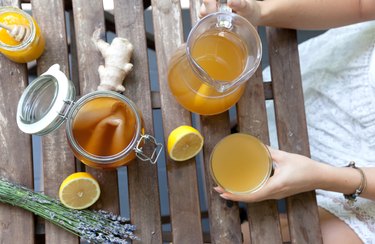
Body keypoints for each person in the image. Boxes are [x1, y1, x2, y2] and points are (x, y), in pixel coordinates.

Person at [200, 0, 375, 243]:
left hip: (365, 181)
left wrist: (324, 177)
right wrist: (259, 12)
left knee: (257, 235)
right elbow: (361, 5)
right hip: (339, 80)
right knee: (245, 110)